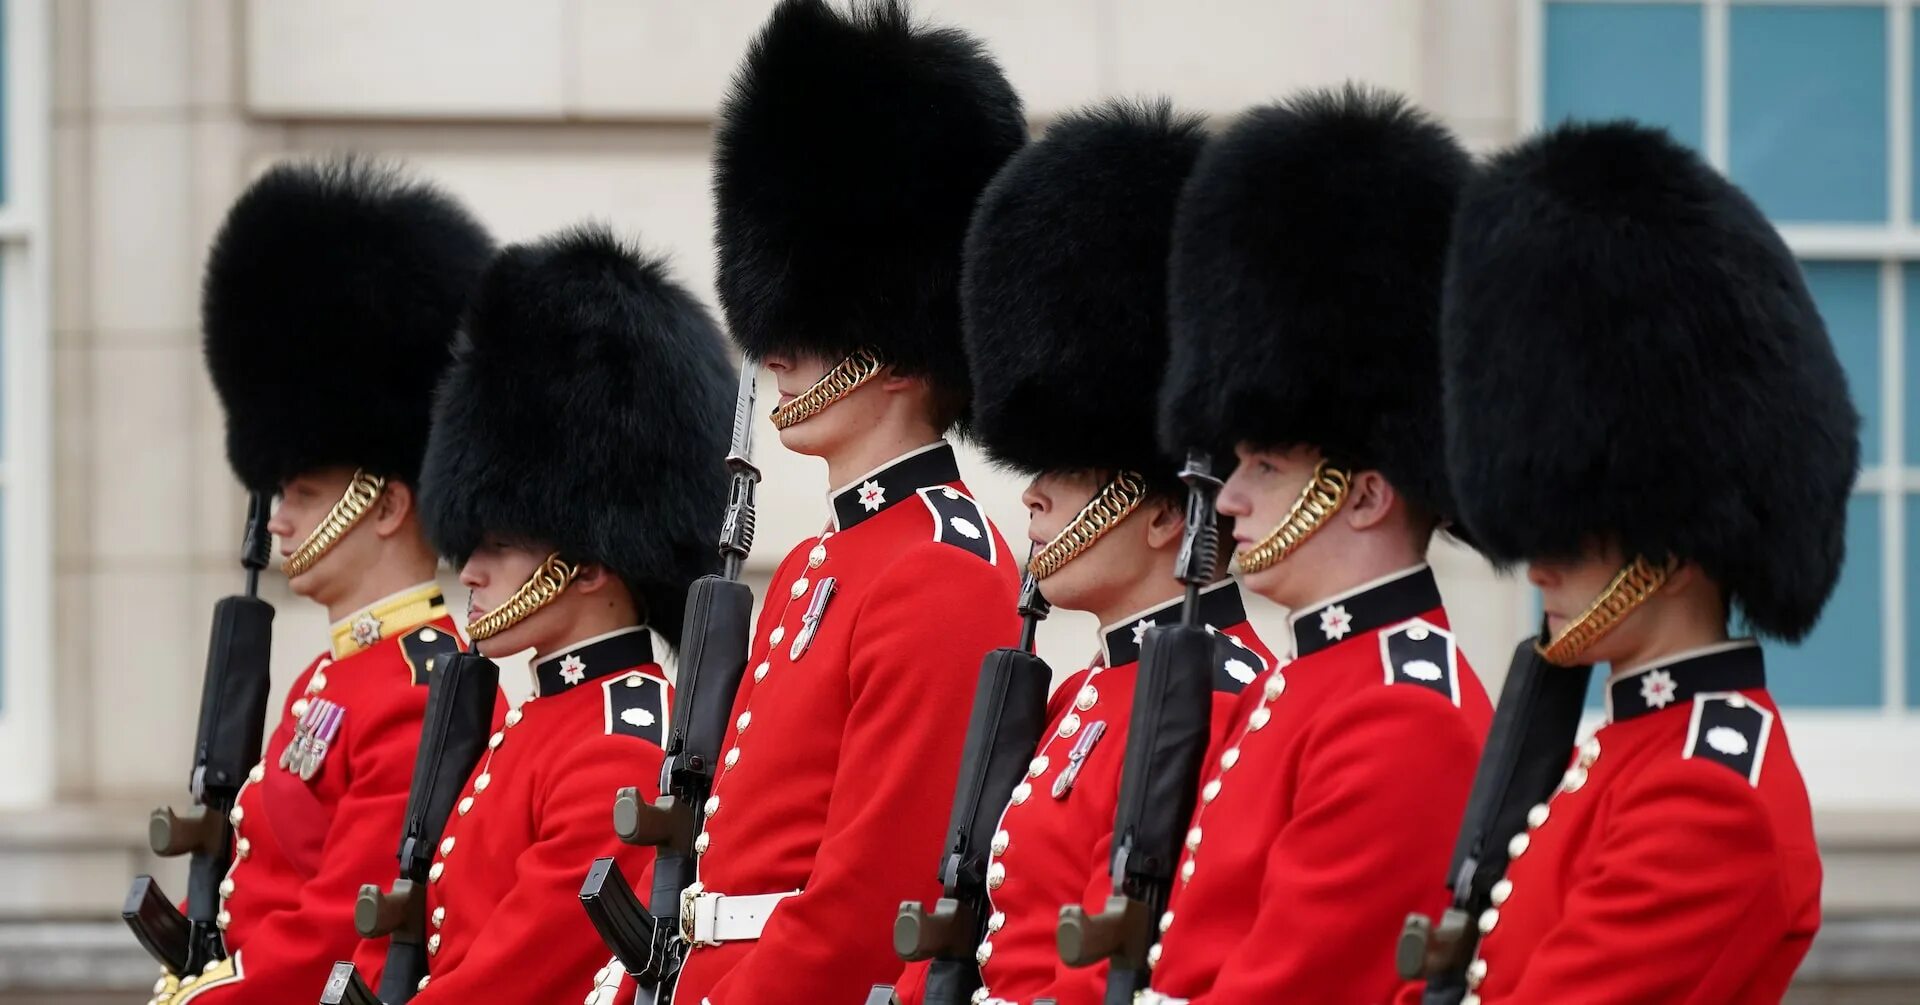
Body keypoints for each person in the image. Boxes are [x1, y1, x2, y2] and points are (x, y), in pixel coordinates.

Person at [1432, 120, 1845, 1004]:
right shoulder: (1619, 750)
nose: (1536, 564)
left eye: (1575, 531)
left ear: (1675, 546)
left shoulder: (1708, 794)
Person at [665, 1, 1027, 1001]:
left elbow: (868, 911)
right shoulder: (814, 567)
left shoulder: (941, 570)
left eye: (809, 325)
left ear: (898, 348)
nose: (774, 352)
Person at [889, 99, 1279, 1005]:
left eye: (1068, 468)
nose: (1033, 492)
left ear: (1165, 513)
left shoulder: (1222, 697)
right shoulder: (1082, 693)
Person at [1138, 86, 1493, 1004]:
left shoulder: (1402, 712)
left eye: (1265, 465)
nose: (1231, 498)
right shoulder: (1303, 681)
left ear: (1365, 493)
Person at [342, 226, 733, 1000]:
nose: (470, 569)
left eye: (499, 544)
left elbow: (512, 975)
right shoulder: (538, 719)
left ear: (587, 562)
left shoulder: (621, 745)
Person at [157, 159, 495, 1004]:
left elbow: (341, 927)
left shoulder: (418, 690)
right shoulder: (330, 675)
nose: (278, 519)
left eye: (303, 493)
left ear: (385, 504)